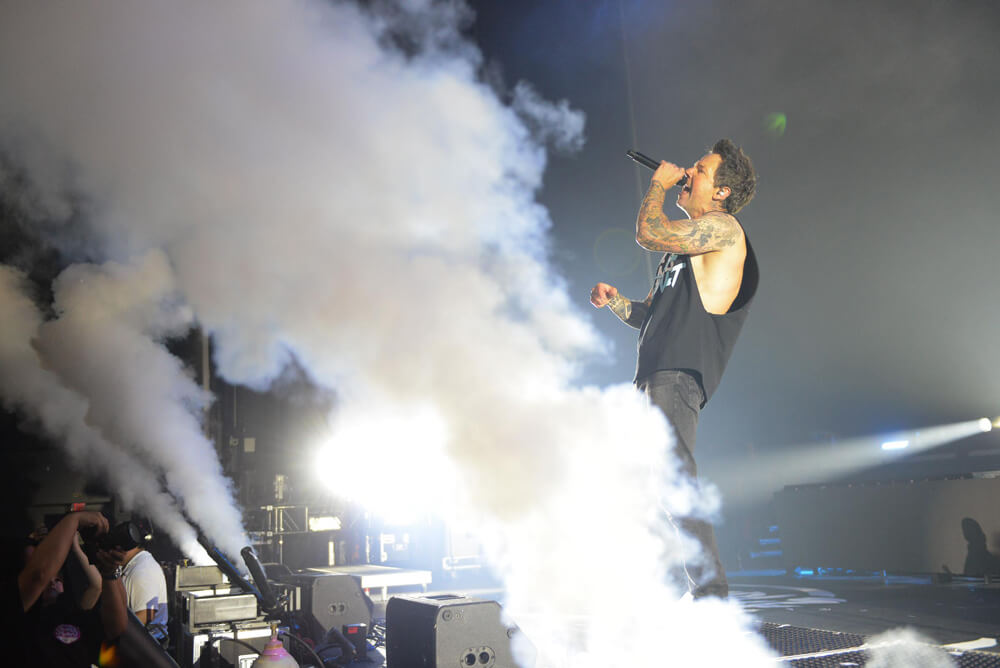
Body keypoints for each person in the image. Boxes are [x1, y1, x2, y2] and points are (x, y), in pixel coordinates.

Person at [590, 138, 758, 599]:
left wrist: (658, 185)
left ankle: (710, 594)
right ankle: (678, 588)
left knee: (674, 482)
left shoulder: (723, 228)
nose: (688, 172)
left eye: (700, 170)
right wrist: (616, 302)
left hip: (677, 373)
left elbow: (648, 231)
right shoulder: (682, 250)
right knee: (654, 484)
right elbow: (650, 315)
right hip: (654, 373)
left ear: (721, 191)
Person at [11, 510, 129, 665]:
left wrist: (109, 570)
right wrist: (74, 520)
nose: (50, 581)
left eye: (56, 577)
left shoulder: (69, 614)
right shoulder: (16, 616)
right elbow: (37, 576)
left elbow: (116, 629)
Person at [118, 536, 169, 643]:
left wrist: (116, 639)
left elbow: (144, 616)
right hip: (140, 641)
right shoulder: (135, 564)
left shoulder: (143, 570)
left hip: (145, 644)